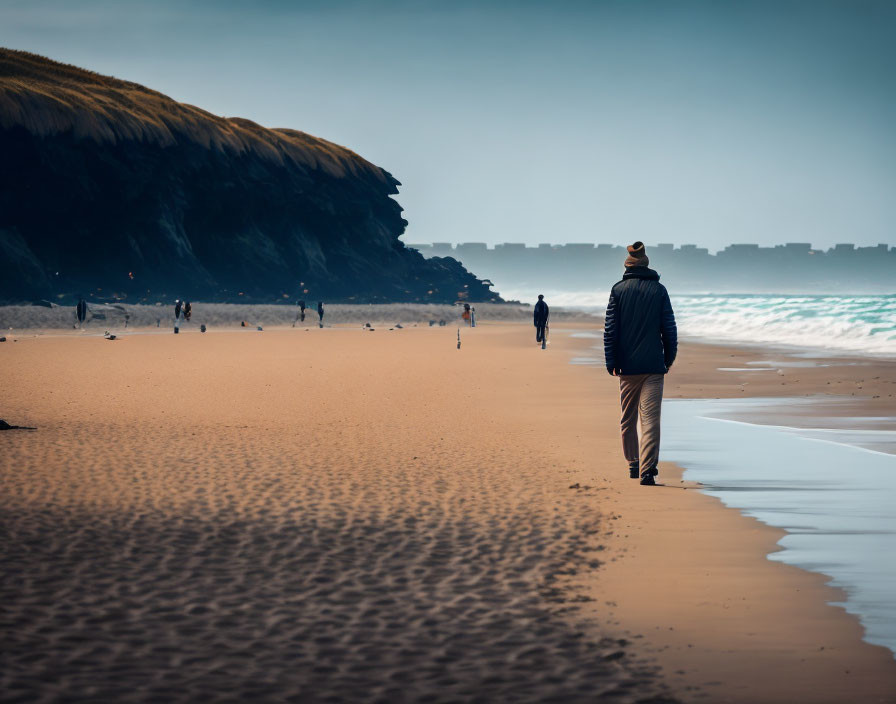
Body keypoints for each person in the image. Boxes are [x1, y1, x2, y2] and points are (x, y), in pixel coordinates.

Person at [603, 242, 677, 486]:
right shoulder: (659, 290)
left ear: (627, 266)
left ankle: (633, 463)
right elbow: (669, 328)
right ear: (647, 266)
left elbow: (611, 330)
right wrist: (668, 357)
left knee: (628, 419)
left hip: (627, 367)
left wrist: (611, 361)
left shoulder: (618, 290)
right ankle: (648, 470)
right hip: (654, 366)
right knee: (651, 421)